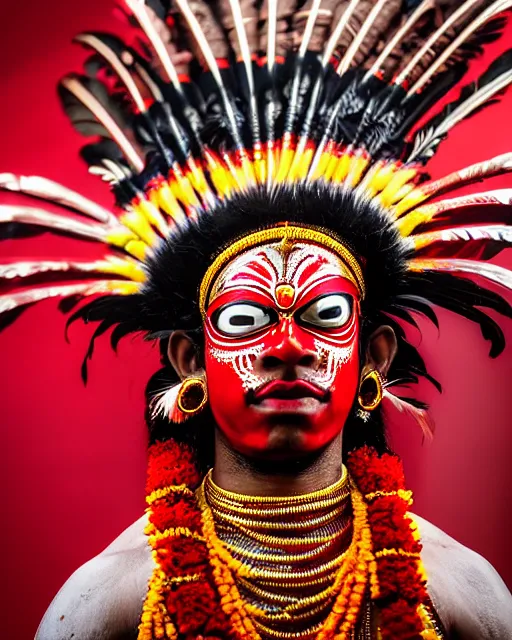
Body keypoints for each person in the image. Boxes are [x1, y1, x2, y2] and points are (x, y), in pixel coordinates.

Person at [2, 1, 512, 638]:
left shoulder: (465, 595)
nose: (289, 346)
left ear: (374, 356)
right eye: (246, 319)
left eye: (325, 315)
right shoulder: (106, 606)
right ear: (190, 360)